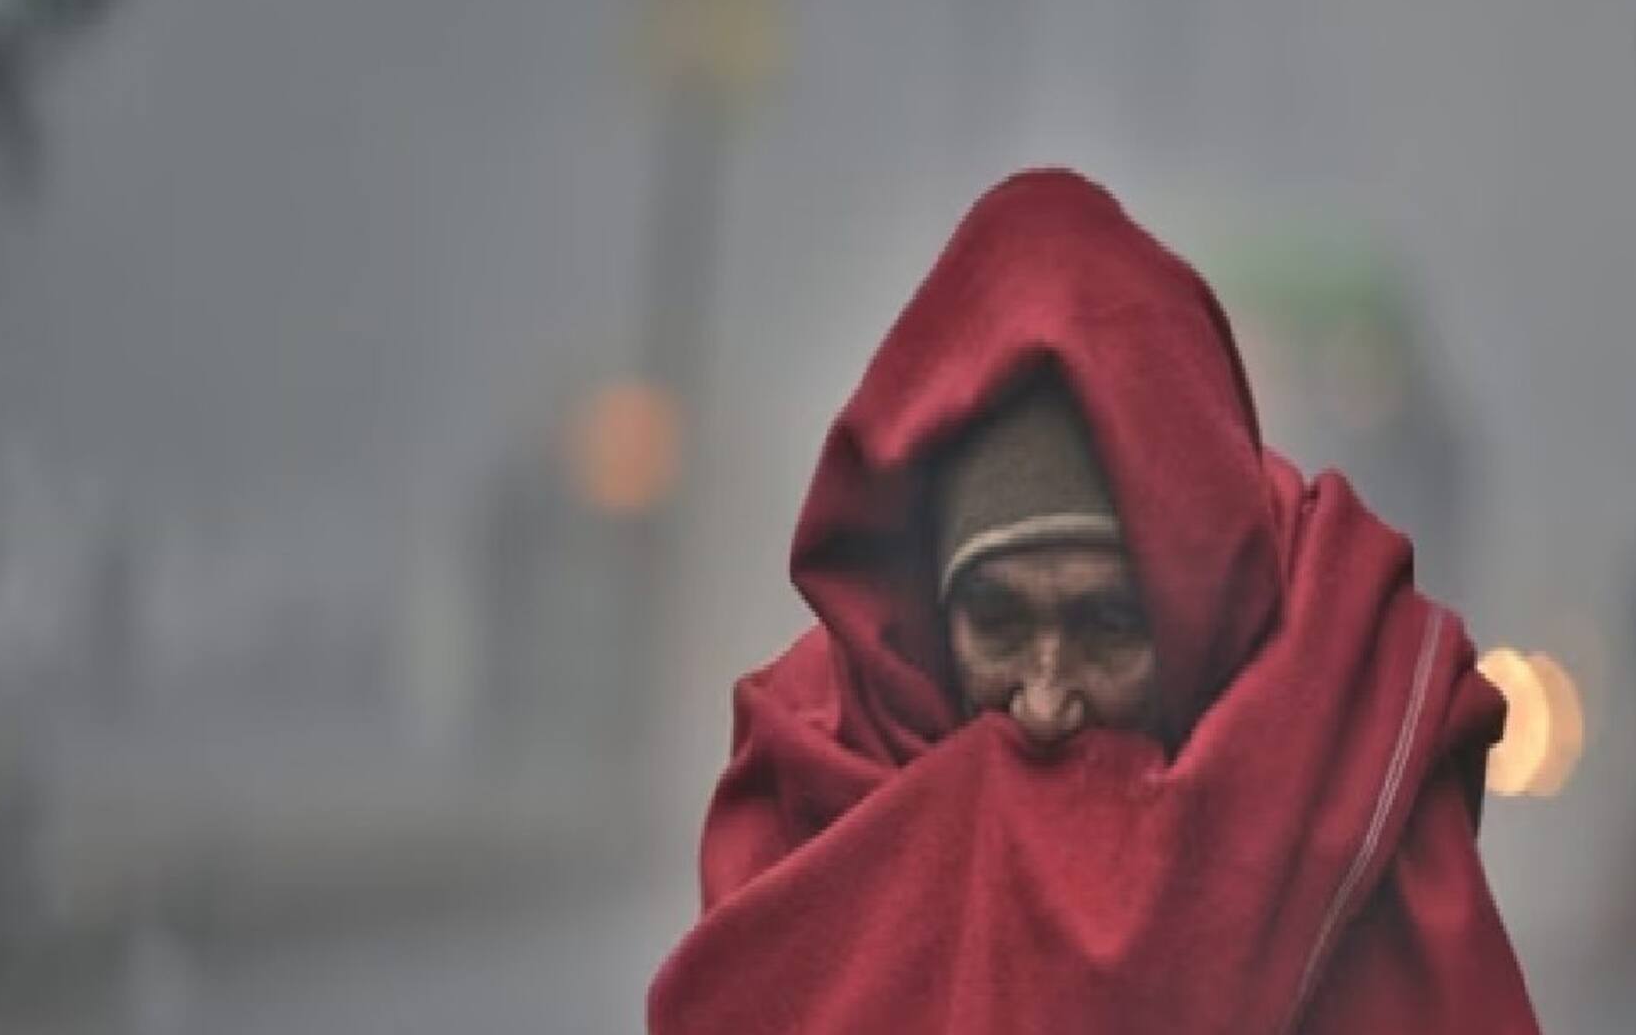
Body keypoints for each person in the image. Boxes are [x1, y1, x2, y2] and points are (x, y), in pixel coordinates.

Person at [648, 169, 1539, 1033]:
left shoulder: (1341, 758)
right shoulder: (816, 795)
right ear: (932, 619)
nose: (1044, 703)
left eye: (1108, 629)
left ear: (1194, 620)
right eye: (998, 625)